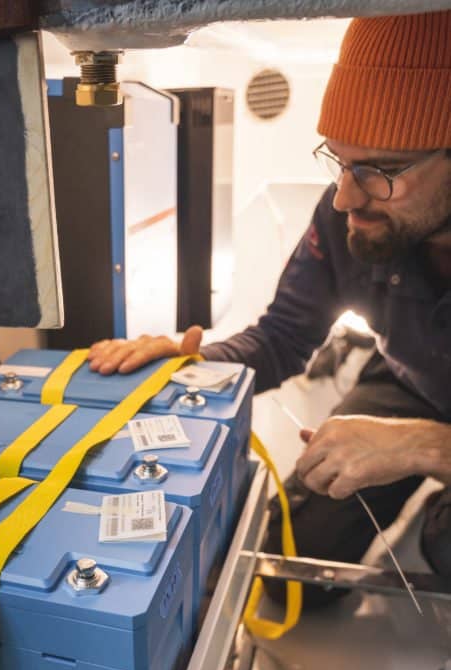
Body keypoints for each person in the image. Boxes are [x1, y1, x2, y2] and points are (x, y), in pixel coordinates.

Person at [87, 11, 451, 603]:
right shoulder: (345, 218)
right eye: (339, 161)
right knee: (293, 566)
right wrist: (193, 362)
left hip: (427, 427)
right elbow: (283, 336)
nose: (345, 197)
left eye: (381, 171)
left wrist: (423, 448)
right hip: (412, 379)